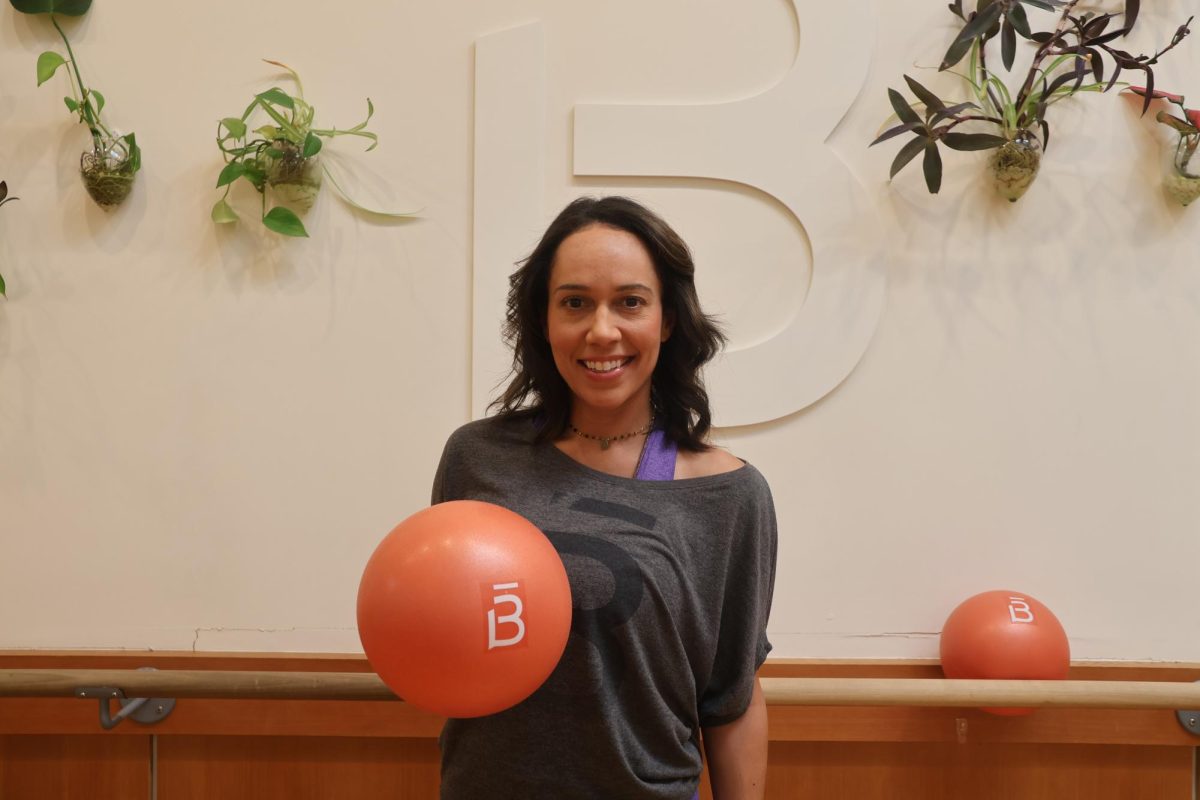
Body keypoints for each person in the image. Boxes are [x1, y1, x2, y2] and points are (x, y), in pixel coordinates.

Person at [432, 195, 778, 799]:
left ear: (667, 320)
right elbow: (445, 636)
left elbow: (731, 697)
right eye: (574, 303)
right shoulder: (476, 460)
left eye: (630, 302)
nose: (601, 330)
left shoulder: (730, 495)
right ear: (543, 319)